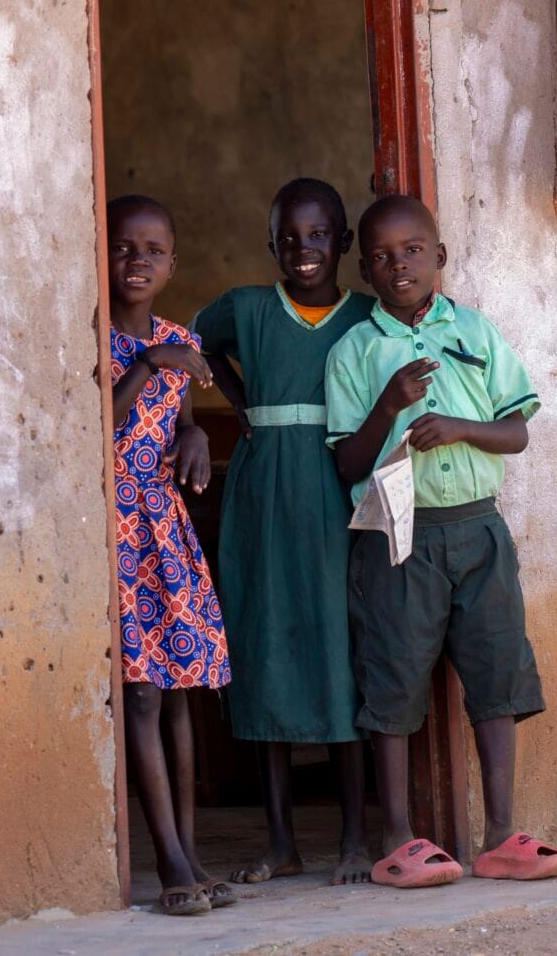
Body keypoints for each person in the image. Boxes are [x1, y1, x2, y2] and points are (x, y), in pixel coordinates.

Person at [324, 195, 557, 886]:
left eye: (411, 249)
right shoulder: (355, 349)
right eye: (380, 255)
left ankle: (500, 834)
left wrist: (462, 428)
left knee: (497, 671)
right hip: (399, 533)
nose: (397, 263)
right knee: (394, 676)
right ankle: (400, 837)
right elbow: (346, 462)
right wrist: (390, 403)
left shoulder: (475, 330)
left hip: (478, 527)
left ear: (439, 256)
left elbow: (517, 431)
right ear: (364, 269)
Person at [192, 179, 377, 887]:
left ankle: (356, 838)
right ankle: (280, 842)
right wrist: (236, 401)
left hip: (335, 487)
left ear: (344, 243)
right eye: (289, 238)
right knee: (264, 646)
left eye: (320, 235)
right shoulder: (245, 308)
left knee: (340, 649)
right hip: (265, 489)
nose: (304, 250)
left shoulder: (364, 315)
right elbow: (186, 346)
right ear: (272, 245)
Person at [107, 194, 235, 916]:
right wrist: (152, 359)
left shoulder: (179, 336)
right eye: (124, 247)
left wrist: (193, 439)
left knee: (182, 689)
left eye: (153, 250)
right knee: (143, 692)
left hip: (165, 527)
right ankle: (166, 861)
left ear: (172, 263)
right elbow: (105, 419)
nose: (138, 261)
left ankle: (192, 851)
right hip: (119, 530)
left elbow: (183, 421)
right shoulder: (101, 338)